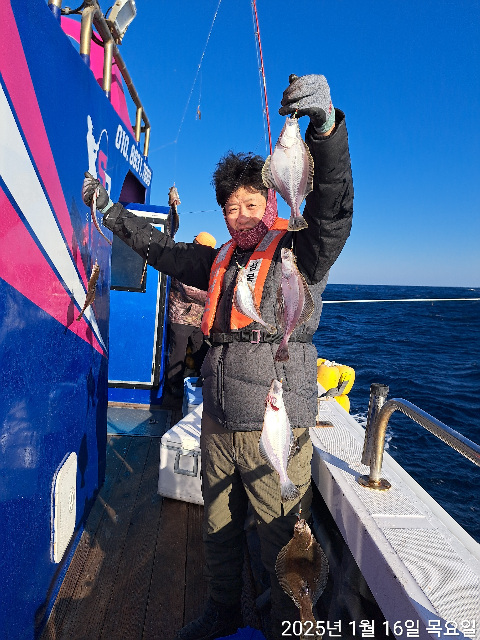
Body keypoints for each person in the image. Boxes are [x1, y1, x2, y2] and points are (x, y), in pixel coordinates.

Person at [82, 73, 353, 640]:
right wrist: (111, 213)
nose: (242, 216)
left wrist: (325, 130)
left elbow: (333, 209)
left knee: (283, 534)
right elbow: (160, 249)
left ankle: (288, 626)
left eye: (252, 203)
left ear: (272, 200)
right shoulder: (218, 261)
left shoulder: (302, 250)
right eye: (231, 209)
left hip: (274, 420)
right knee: (219, 523)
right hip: (218, 418)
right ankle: (222, 610)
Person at [165, 232, 216, 398]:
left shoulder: (205, 264)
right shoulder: (185, 260)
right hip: (181, 316)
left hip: (198, 318)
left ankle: (203, 383)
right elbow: (189, 290)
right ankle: (174, 386)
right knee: (178, 353)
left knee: (201, 350)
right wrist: (214, 295)